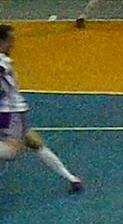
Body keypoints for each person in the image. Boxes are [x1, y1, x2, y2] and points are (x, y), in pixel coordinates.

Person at [0, 24, 83, 192]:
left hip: (8, 110)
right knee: (13, 151)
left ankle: (71, 179)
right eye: (10, 40)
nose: (13, 44)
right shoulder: (2, 62)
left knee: (34, 142)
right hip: (11, 111)